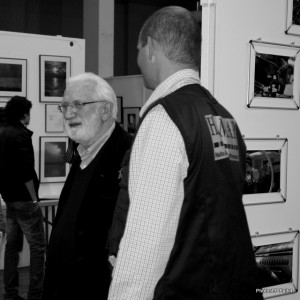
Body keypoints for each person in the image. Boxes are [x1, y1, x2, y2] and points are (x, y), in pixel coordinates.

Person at [108, 6, 263, 300]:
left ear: (151, 47)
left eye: (139, 48)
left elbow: (147, 244)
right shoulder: (224, 117)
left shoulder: (165, 118)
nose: (138, 57)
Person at [41, 72, 132, 300]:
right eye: (64, 106)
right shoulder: (81, 153)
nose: (69, 113)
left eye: (78, 105)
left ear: (105, 110)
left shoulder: (129, 154)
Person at [0, 96, 46, 300]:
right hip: (25, 200)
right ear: (24, 113)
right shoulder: (20, 136)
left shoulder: (3, 133)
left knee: (12, 246)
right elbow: (27, 172)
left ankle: (10, 293)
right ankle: (35, 294)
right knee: (37, 247)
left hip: (9, 199)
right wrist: (35, 198)